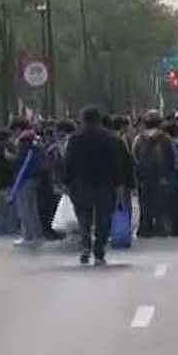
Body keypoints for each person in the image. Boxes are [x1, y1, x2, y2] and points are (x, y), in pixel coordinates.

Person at [63, 107, 128, 265]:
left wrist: (66, 182)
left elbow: (67, 162)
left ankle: (85, 246)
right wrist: (120, 184)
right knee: (104, 218)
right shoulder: (111, 139)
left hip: (80, 184)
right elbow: (118, 164)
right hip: (105, 185)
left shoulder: (74, 139)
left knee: (83, 218)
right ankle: (99, 250)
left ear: (83, 119)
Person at [132, 112, 173, 239]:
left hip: (144, 177)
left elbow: (134, 157)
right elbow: (170, 158)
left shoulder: (138, 138)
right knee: (160, 204)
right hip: (160, 177)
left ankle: (145, 229)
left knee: (144, 204)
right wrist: (167, 175)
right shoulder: (165, 138)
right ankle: (161, 229)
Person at [8, 122, 46, 247]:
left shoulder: (24, 147)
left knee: (25, 209)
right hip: (33, 179)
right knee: (32, 208)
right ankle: (36, 234)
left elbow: (19, 162)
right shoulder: (36, 147)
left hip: (24, 180)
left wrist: (9, 157)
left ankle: (28, 236)